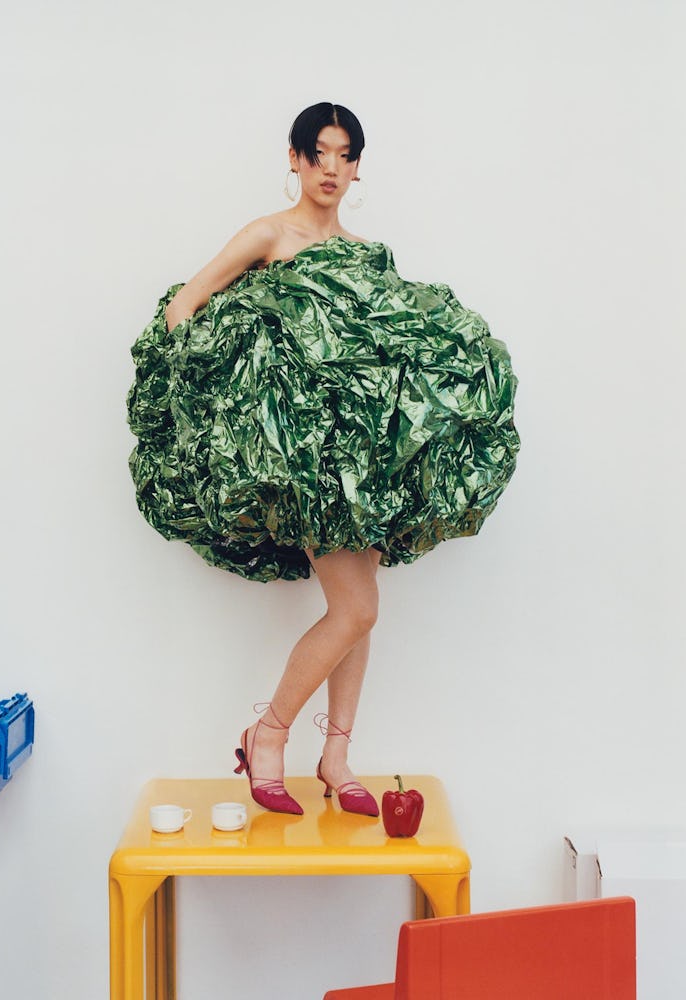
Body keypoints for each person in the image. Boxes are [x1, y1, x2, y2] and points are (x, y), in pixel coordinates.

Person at [127, 102, 520, 818]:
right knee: (358, 608)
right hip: (304, 467)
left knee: (360, 609)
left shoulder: (366, 254)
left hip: (360, 464)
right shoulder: (269, 235)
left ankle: (337, 756)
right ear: (295, 159)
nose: (332, 168)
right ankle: (267, 733)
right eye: (320, 153)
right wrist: (227, 395)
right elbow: (185, 306)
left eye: (345, 155)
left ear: (358, 165)